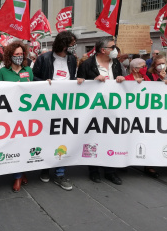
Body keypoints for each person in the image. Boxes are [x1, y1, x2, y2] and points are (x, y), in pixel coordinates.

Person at [32, 30, 78, 191]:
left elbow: (72, 79)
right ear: (63, 44)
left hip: (66, 107)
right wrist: (45, 82)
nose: (74, 47)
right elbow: (33, 78)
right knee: (46, 137)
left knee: (63, 138)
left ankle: (60, 172)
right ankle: (45, 167)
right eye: (72, 44)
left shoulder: (72, 59)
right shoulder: (44, 58)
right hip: (47, 106)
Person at [77, 36, 125, 185]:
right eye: (113, 47)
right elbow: (79, 85)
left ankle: (111, 171)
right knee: (94, 138)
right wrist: (92, 81)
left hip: (113, 109)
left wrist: (122, 79)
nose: (115, 50)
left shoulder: (116, 63)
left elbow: (122, 78)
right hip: (93, 110)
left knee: (111, 138)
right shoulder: (87, 64)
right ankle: (94, 170)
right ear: (103, 50)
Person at [0, 40, 33, 192]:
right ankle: (18, 175)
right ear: (10, 56)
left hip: (26, 114)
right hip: (9, 115)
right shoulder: (3, 72)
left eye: (21, 54)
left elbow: (33, 90)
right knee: (14, 144)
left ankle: (19, 174)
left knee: (24, 144)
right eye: (16, 54)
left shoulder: (28, 70)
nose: (19, 56)